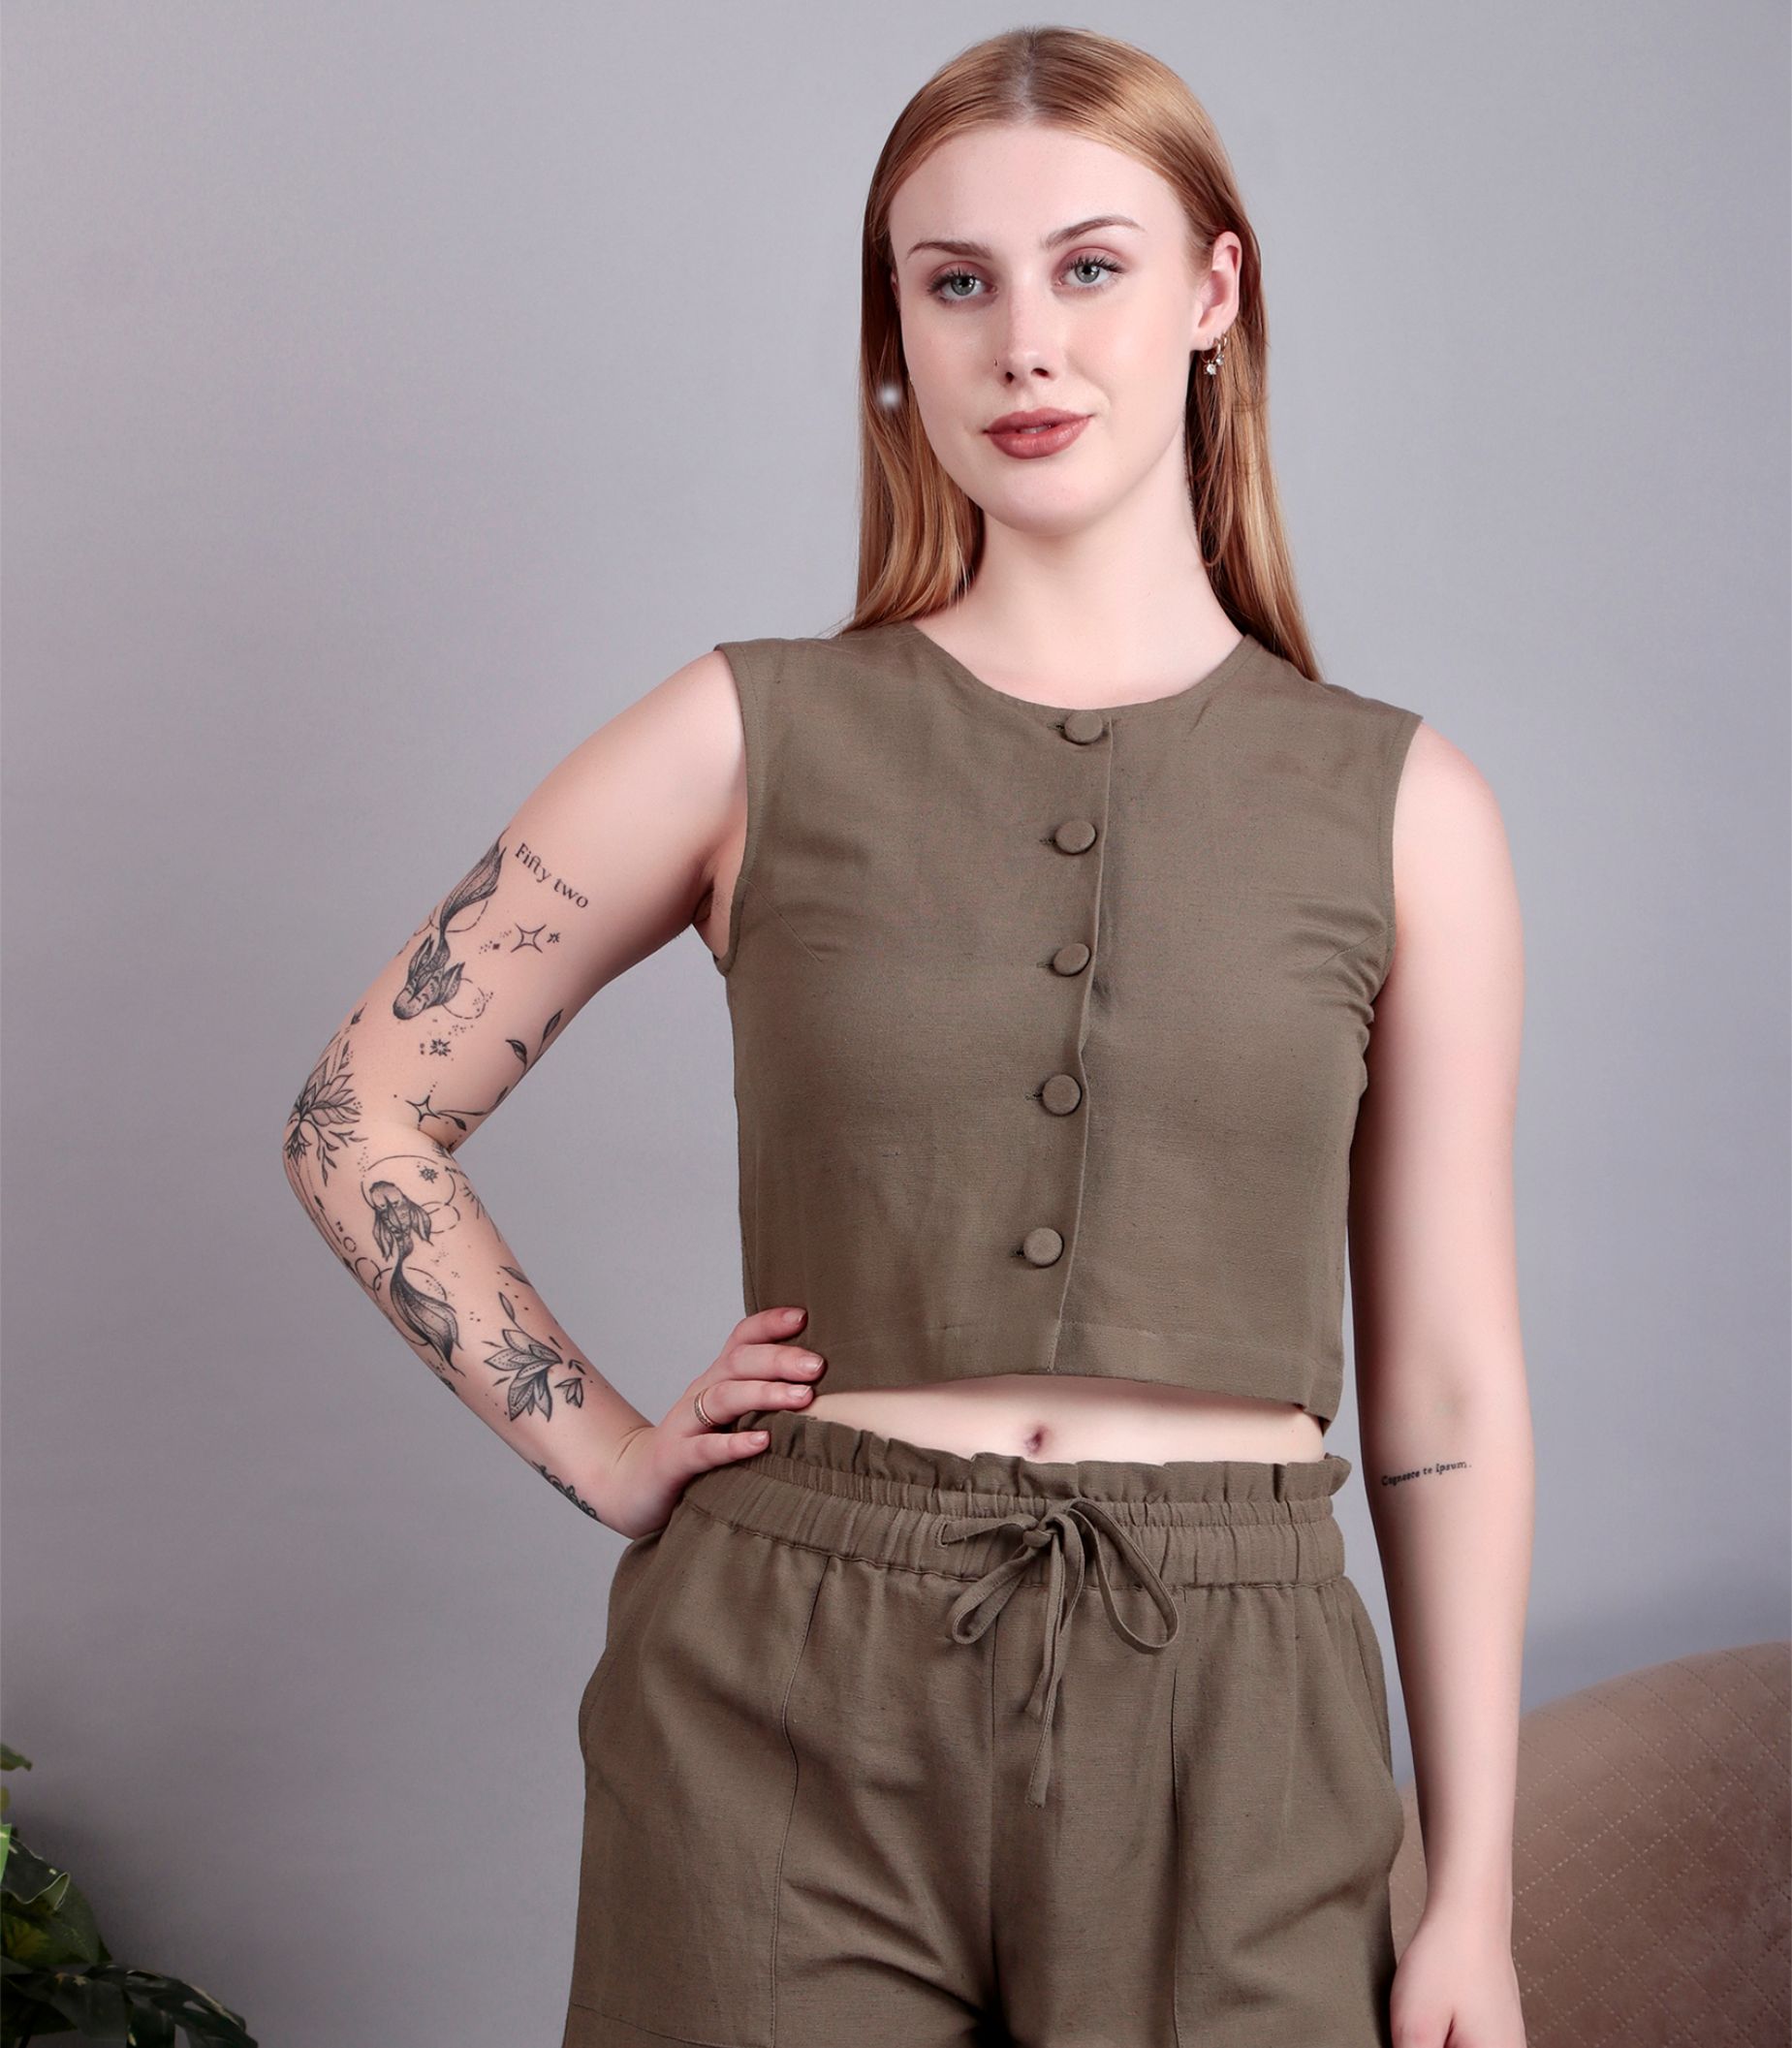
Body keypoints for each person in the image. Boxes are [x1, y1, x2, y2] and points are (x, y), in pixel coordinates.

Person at [282, 25, 1530, 2048]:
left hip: (1235, 1711)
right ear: (898, 333)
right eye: (954, 282)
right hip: (781, 1684)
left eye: (1090, 266)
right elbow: (362, 1112)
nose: (1023, 343)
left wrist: (1470, 1894)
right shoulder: (741, 730)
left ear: (1212, 292)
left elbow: (1447, 1383)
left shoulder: (1407, 808)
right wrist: (603, 1447)